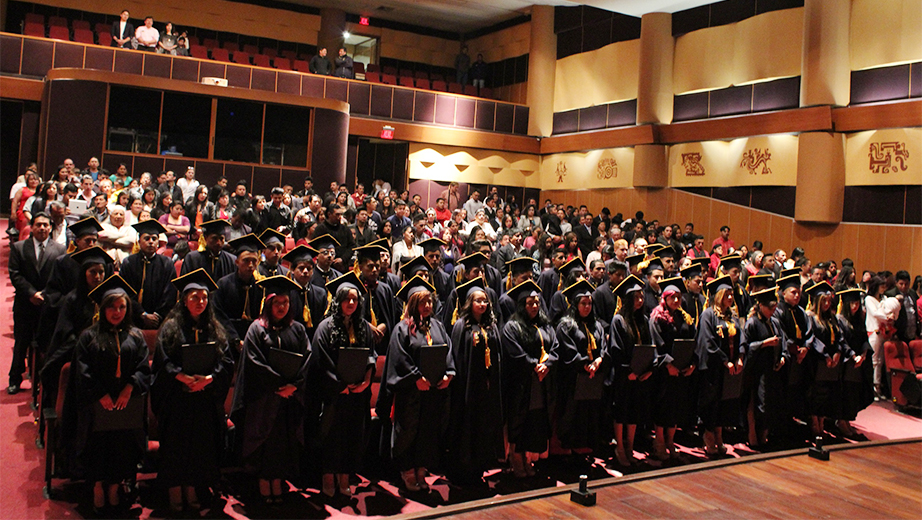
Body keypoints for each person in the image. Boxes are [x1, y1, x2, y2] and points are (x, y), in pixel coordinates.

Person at [151, 269, 234, 512]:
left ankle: (193, 488)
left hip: (204, 398)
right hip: (178, 399)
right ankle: (175, 490)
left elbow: (226, 362)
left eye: (204, 297)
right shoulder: (170, 328)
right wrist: (181, 376)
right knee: (176, 447)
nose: (200, 302)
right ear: (184, 300)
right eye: (195, 297)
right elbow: (162, 361)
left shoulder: (215, 329)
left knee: (200, 447)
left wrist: (210, 379)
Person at [72, 275, 149, 514]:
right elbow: (82, 371)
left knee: (121, 448)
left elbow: (143, 366)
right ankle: (97, 487)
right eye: (112, 307)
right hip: (97, 405)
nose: (117, 312)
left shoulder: (136, 336)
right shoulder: (89, 337)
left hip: (126, 404)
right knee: (99, 448)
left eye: (122, 307)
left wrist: (129, 389)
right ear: (103, 309)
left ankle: (115, 487)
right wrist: (100, 394)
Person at [231, 275, 310, 504]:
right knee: (265, 444)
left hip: (288, 400)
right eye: (277, 303)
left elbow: (307, 357)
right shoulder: (257, 329)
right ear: (268, 303)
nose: (282, 307)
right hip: (264, 400)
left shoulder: (297, 329)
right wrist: (278, 385)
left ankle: (279, 482)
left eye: (286, 303)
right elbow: (254, 363)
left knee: (284, 443)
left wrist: (294, 385)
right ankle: (264, 484)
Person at [382, 276, 455, 492]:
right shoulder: (402, 329)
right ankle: (407, 471)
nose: (427, 306)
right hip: (411, 392)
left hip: (433, 391)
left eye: (430, 302)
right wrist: (416, 378)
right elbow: (399, 358)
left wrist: (448, 374)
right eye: (422, 302)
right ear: (413, 304)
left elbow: (447, 351)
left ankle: (422, 470)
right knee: (408, 432)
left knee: (428, 432)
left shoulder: (438, 326)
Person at [307, 273, 376, 497]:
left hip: (357, 394)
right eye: (346, 299)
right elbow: (321, 361)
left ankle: (345, 477)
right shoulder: (325, 327)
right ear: (337, 301)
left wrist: (366, 380)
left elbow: (370, 355)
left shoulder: (364, 326)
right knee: (331, 436)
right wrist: (339, 385)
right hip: (333, 395)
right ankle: (328, 477)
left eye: (355, 300)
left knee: (352, 436)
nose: (351, 303)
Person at [446, 276, 504, 484]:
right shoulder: (461, 326)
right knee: (466, 429)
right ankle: (462, 472)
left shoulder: (492, 326)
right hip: (467, 387)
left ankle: (479, 468)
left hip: (487, 389)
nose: (482, 304)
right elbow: (457, 356)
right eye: (478, 301)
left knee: (484, 428)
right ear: (469, 303)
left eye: (485, 301)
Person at [501, 280, 556, 477]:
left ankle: (526, 457)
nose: (534, 306)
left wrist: (547, 365)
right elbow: (515, 353)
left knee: (534, 420)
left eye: (537, 303)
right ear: (521, 305)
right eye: (529, 303)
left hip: (540, 381)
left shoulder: (544, 325)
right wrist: (535, 365)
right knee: (518, 420)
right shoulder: (512, 326)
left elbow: (555, 348)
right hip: (521, 382)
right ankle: (516, 458)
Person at [8, 213, 65, 394]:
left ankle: (42, 382)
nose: (42, 228)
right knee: (21, 343)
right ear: (31, 227)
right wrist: (32, 293)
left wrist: (45, 295)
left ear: (50, 228)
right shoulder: (18, 248)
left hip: (48, 304)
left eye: (45, 225)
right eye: (38, 225)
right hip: (25, 302)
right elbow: (15, 274)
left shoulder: (60, 249)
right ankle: (15, 380)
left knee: (45, 345)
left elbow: (59, 278)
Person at [554, 280, 608, 459]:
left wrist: (599, 360)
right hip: (573, 377)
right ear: (575, 304)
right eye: (583, 303)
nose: (587, 307)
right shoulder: (566, 325)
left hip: (593, 376)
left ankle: (586, 446)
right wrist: (584, 364)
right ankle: (569, 450)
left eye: (589, 303)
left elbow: (603, 346)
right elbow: (567, 350)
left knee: (591, 412)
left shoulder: (596, 324)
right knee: (572, 413)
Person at [648, 276, 698, 460]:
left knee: (677, 407)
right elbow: (657, 344)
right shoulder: (657, 317)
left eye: (678, 296)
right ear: (665, 298)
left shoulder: (684, 317)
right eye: (672, 297)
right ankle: (659, 441)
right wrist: (668, 364)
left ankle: (671, 440)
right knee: (663, 407)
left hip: (682, 370)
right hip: (664, 371)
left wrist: (692, 363)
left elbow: (693, 341)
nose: (676, 300)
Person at [695, 275, 743, 457]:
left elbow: (741, 337)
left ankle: (719, 435)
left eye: (732, 295)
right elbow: (708, 342)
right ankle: (708, 435)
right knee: (711, 403)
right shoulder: (708, 315)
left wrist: (739, 356)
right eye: (727, 295)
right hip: (713, 367)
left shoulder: (732, 315)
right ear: (719, 295)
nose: (730, 298)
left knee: (725, 403)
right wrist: (725, 360)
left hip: (730, 367)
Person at [740, 286, 788, 448]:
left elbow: (784, 342)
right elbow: (746, 347)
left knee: (772, 404)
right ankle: (754, 434)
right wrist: (764, 344)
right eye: (770, 307)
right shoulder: (752, 323)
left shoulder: (774, 322)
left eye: (775, 307)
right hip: (757, 371)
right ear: (760, 306)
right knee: (759, 404)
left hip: (772, 370)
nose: (773, 311)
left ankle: (765, 434)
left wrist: (782, 357)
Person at [804, 281, 849, 438]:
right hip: (817, 361)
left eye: (829, 300)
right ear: (817, 301)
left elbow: (840, 338)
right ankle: (814, 421)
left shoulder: (832, 318)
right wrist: (825, 355)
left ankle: (822, 421)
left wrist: (837, 352)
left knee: (829, 393)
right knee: (816, 393)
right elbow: (812, 338)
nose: (827, 303)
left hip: (832, 362)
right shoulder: (810, 317)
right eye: (824, 300)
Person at [120, 220, 177, 330]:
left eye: (154, 239)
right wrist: (142, 314)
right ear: (139, 241)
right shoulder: (129, 263)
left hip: (160, 321)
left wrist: (157, 315)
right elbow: (125, 292)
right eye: (146, 238)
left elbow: (170, 293)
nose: (151, 242)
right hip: (133, 319)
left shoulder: (167, 263)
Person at [214, 234, 266, 345]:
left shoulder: (261, 286)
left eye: (254, 261)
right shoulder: (224, 284)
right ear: (237, 262)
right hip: (227, 339)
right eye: (246, 260)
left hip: (255, 340)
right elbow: (218, 315)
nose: (250, 265)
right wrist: (234, 339)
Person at [836, 288, 873, 437]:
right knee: (844, 392)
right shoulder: (840, 319)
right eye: (852, 303)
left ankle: (848, 420)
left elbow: (865, 338)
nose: (855, 306)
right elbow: (841, 341)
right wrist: (852, 356)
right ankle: (841, 421)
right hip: (846, 363)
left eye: (857, 303)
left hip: (858, 362)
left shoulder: (859, 319)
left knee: (854, 392)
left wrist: (863, 354)